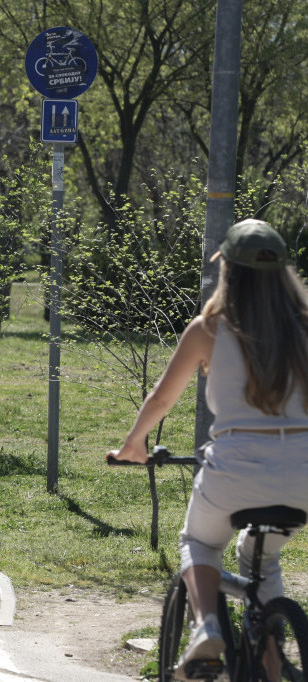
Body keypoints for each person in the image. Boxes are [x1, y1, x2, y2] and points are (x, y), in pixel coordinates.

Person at [107, 219, 308, 679]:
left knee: (198, 542)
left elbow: (161, 398)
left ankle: (207, 630)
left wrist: (133, 445)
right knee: (264, 557)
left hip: (234, 470)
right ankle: (271, 663)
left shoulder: (210, 329)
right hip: (302, 473)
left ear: (228, 272)